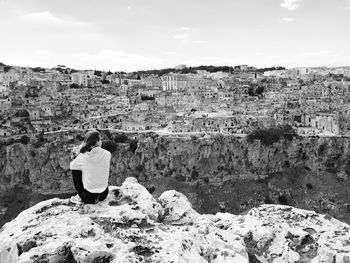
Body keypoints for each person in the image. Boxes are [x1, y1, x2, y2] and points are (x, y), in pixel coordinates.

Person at [70, 130, 111, 204]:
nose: (101, 141)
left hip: (88, 197)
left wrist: (78, 153)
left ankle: (80, 196)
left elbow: (72, 166)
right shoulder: (108, 154)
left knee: (76, 169)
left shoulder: (82, 157)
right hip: (104, 194)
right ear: (97, 142)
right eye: (100, 139)